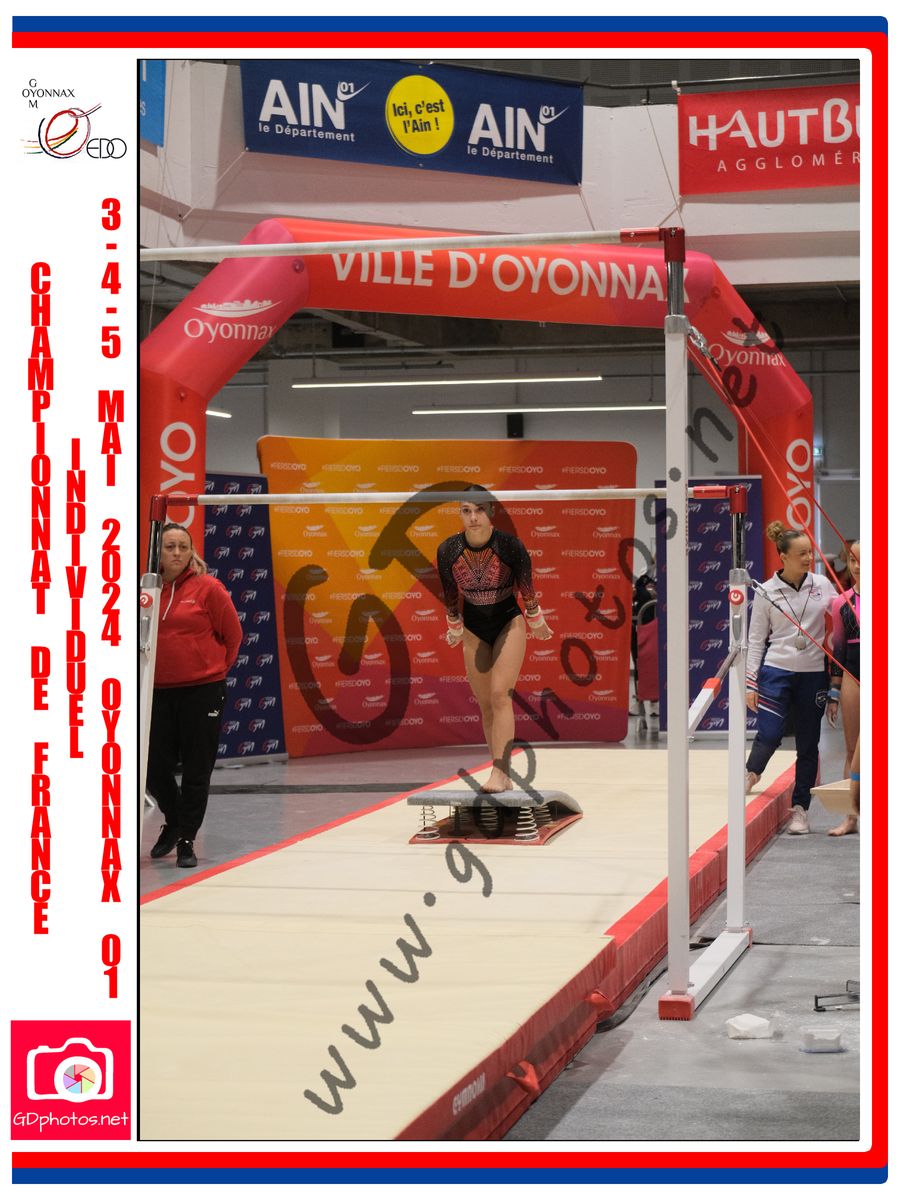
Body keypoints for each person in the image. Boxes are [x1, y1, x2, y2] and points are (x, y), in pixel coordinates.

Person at [437, 485, 552, 792]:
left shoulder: (510, 545)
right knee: (486, 704)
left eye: (479, 510)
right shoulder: (448, 549)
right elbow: (449, 593)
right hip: (474, 626)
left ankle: (499, 773)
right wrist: (454, 625)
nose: (473, 517)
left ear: (491, 512)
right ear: (460, 514)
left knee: (501, 694)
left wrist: (536, 619)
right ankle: (501, 773)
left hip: (507, 621)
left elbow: (526, 585)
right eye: (466, 511)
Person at [146, 523, 243, 867]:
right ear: (157, 552)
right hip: (156, 692)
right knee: (151, 766)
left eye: (183, 547)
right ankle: (174, 820)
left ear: (191, 552)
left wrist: (211, 672)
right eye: (169, 546)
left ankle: (187, 839)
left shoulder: (208, 588)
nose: (176, 553)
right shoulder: (145, 590)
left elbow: (233, 636)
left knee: (196, 769)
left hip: (203, 691)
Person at [744, 522, 838, 834]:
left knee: (808, 745)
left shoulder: (822, 584)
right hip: (776, 671)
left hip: (813, 675)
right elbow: (756, 639)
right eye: (801, 554)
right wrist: (750, 682)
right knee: (770, 733)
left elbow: (845, 613)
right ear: (783, 556)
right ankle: (752, 771)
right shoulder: (766, 591)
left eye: (810, 552)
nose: (808, 558)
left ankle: (800, 810)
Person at [827, 539, 861, 836]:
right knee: (852, 749)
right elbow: (838, 650)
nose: (857, 566)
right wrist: (834, 693)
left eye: (863, 560)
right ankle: (850, 817)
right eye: (852, 560)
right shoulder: (841, 602)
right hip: (853, 677)